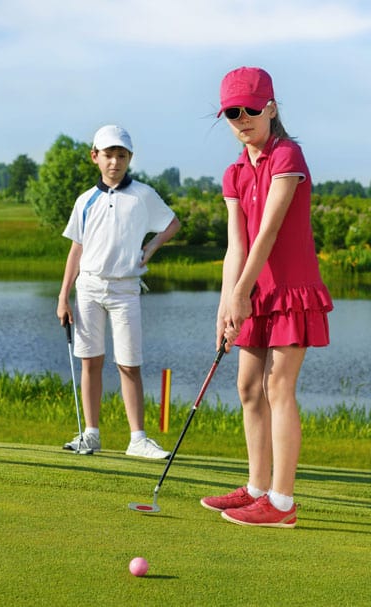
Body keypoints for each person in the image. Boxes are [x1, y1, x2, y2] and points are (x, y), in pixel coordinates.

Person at [200, 67, 333, 527]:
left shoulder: (287, 155)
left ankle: (282, 503)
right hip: (251, 292)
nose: (241, 119)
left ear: (271, 107)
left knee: (278, 387)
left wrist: (239, 296)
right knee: (247, 388)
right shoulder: (234, 172)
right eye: (231, 113)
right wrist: (225, 305)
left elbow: (269, 233)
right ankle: (256, 487)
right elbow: (236, 246)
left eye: (250, 109)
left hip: (291, 289)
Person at [57, 124, 180, 459]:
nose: (115, 161)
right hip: (89, 288)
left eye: (121, 155)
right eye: (108, 155)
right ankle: (91, 435)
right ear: (95, 157)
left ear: (130, 158)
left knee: (129, 363)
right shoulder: (86, 200)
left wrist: (152, 244)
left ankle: (137, 439)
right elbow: (76, 250)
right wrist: (62, 296)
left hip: (126, 289)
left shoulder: (142, 194)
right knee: (90, 362)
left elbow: (172, 223)